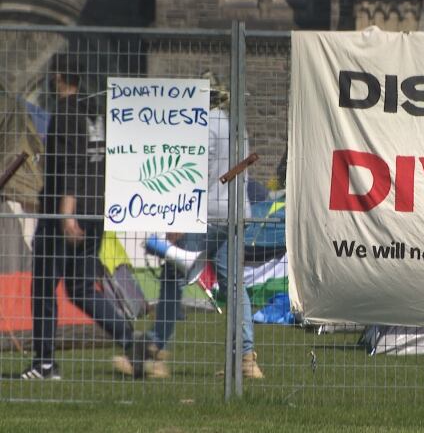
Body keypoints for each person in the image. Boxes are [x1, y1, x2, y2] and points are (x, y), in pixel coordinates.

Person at [21, 53, 151, 380]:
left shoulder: (64, 112)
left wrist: (65, 215)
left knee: (43, 286)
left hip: (67, 215)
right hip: (95, 210)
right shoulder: (95, 113)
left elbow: (72, 166)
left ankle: (45, 364)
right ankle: (128, 338)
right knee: (80, 286)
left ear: (58, 77)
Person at [137, 71, 264, 379]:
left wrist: (180, 219)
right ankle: (247, 358)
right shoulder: (238, 128)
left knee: (172, 277)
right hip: (235, 214)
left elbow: (196, 175)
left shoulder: (203, 126)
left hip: (205, 214)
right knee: (234, 285)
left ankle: (156, 350)